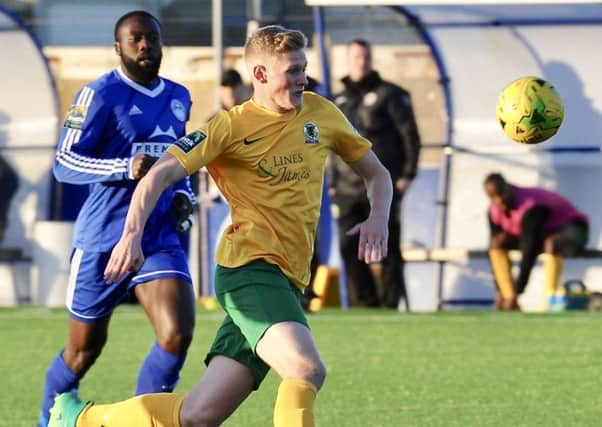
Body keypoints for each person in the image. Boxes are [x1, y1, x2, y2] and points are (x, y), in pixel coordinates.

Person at [49, 25, 393, 427]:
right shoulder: (229, 127)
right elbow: (157, 175)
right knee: (305, 369)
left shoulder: (322, 112)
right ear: (260, 75)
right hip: (250, 270)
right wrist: (131, 235)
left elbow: (378, 174)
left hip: (289, 278)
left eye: (303, 68)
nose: (302, 79)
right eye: (292, 71)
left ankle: (79, 418)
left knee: (199, 415)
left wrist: (378, 219)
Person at [37, 11, 197, 426]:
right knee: (83, 350)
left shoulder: (179, 96)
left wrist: (182, 195)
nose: (145, 46)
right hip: (103, 239)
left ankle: (144, 419)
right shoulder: (98, 95)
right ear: (119, 47)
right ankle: (51, 417)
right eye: (136, 39)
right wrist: (125, 167)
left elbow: (177, 161)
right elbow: (63, 163)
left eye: (152, 38)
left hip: (156, 237)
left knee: (176, 333)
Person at [329, 38, 421, 310]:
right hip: (346, 188)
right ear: (348, 60)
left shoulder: (390, 95)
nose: (361, 62)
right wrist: (331, 182)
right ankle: (365, 305)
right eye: (356, 57)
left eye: (365, 57)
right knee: (349, 247)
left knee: (387, 245)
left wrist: (408, 174)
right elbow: (330, 143)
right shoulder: (339, 100)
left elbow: (410, 136)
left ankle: (390, 304)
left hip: (381, 185)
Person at [484, 172, 589, 311]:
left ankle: (549, 301)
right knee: (497, 243)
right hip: (540, 235)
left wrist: (518, 290)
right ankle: (508, 296)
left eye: (501, 194)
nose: (499, 201)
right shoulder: (493, 211)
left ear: (508, 188)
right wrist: (502, 292)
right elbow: (493, 248)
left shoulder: (532, 206)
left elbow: (529, 247)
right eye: (494, 198)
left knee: (552, 244)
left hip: (573, 228)